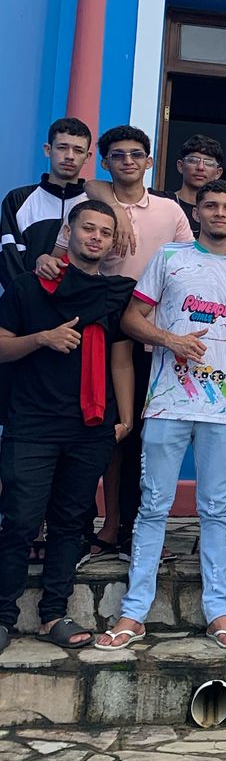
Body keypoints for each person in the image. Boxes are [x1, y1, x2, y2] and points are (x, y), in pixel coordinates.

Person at [96, 181, 226, 652]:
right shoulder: (170, 258)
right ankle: (135, 612)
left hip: (223, 408)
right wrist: (170, 340)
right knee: (153, 507)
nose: (219, 213)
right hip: (168, 402)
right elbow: (131, 320)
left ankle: (218, 609)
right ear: (197, 211)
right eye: (210, 205)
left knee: (216, 510)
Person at [39, 126, 193, 565]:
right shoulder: (91, 208)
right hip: (90, 327)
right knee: (96, 430)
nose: (128, 161)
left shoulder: (169, 211)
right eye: (118, 155)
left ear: (149, 160)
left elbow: (188, 267)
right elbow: (58, 259)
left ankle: (129, 530)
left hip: (148, 337)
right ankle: (89, 527)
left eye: (137, 154)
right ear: (104, 161)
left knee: (141, 437)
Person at [0, 202, 135, 653]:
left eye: (104, 232)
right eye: (88, 228)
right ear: (68, 231)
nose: (95, 237)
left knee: (69, 524)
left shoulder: (116, 294)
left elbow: (121, 357)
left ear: (113, 241)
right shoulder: (29, 286)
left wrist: (126, 416)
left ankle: (53, 614)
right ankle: (3, 614)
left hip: (90, 426)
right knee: (19, 520)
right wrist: (42, 338)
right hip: (32, 424)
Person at [1, 117, 92, 291]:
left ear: (87, 156)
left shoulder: (94, 203)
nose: (70, 156)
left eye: (78, 150)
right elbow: (8, 258)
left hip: (78, 308)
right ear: (48, 150)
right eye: (62, 147)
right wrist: (29, 302)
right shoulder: (18, 199)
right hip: (25, 308)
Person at [173, 135, 224, 229]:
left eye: (208, 163)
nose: (200, 167)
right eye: (193, 160)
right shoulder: (162, 201)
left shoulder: (222, 213)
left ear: (218, 172)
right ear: (180, 166)